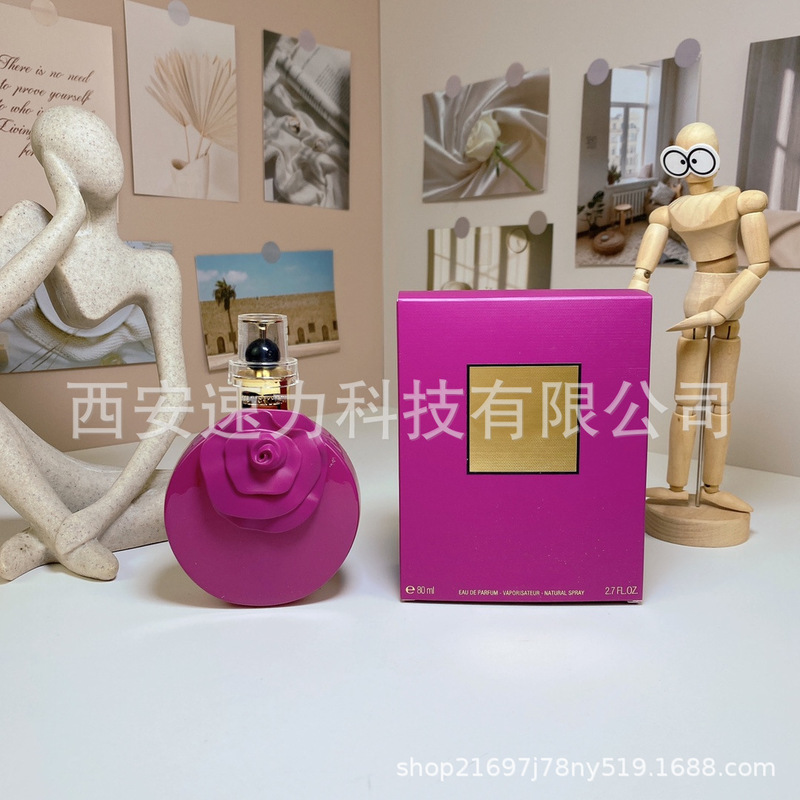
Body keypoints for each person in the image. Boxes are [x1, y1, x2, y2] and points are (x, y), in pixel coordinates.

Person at [0, 106, 187, 581]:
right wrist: (67, 217)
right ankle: (59, 529)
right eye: (75, 143)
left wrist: (104, 510)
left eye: (102, 137)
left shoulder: (154, 269)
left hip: (94, 487)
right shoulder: (33, 224)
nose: (101, 150)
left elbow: (176, 397)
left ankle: (46, 542)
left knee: (197, 490)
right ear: (56, 166)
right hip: (39, 460)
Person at [629, 122, 769, 512]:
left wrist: (723, 307)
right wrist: (638, 284)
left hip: (727, 302)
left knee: (720, 402)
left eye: (700, 156)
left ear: (715, 157)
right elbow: (644, 266)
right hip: (697, 299)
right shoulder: (670, 212)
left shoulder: (739, 200)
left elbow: (758, 264)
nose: (691, 167)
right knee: (686, 402)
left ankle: (711, 487)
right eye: (681, 158)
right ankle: (677, 487)